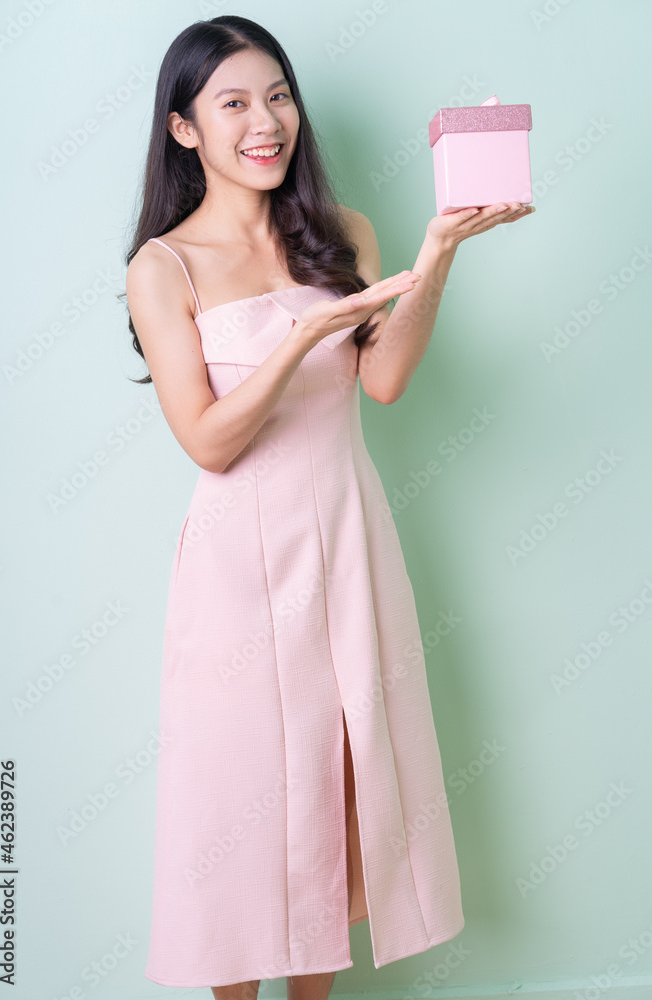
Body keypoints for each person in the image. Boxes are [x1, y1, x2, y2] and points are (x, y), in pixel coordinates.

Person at [124, 14, 533, 1000]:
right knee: (243, 825)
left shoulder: (342, 234)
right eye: (232, 103)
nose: (265, 121)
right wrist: (305, 340)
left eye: (277, 95)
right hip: (234, 573)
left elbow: (383, 379)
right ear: (184, 129)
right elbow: (210, 441)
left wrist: (434, 256)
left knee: (334, 809)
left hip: (345, 542)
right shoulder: (163, 267)